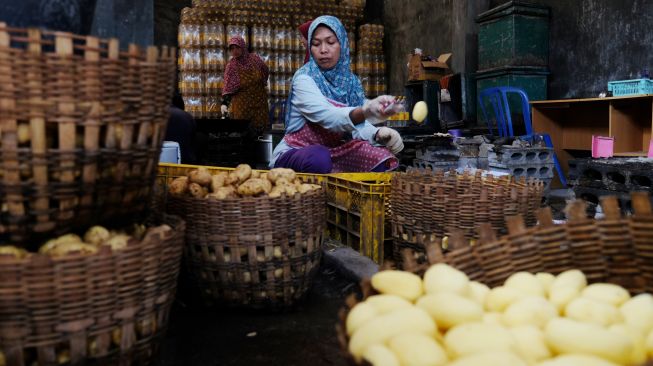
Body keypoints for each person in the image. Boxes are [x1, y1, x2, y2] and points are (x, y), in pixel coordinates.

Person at [270, 15, 403, 173]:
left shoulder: (351, 82)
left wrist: (377, 133)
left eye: (331, 42)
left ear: (343, 44)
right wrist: (366, 110)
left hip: (334, 152)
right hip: (297, 152)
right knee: (319, 158)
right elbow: (329, 117)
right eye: (316, 44)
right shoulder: (304, 78)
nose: (323, 50)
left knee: (381, 158)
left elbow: (357, 126)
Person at [221, 36, 270, 135]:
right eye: (232, 48)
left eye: (237, 47)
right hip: (242, 104)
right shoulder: (231, 66)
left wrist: (263, 83)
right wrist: (224, 104)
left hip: (259, 102)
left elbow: (265, 70)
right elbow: (228, 87)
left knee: (259, 131)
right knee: (243, 132)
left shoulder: (254, 59)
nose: (235, 51)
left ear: (243, 47)